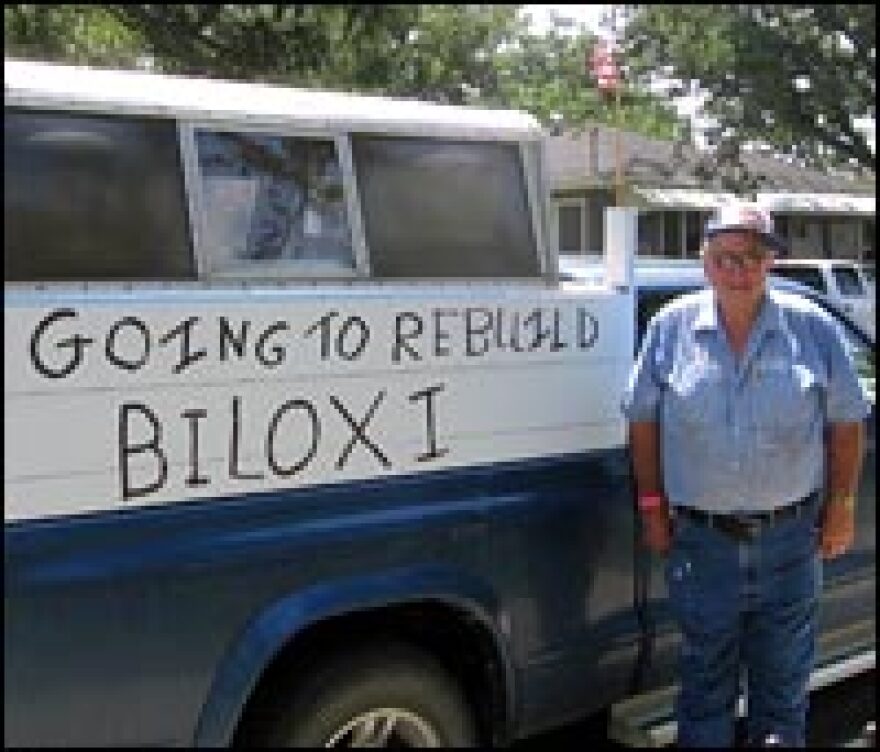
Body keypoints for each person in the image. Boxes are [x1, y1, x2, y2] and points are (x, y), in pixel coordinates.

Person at [621, 202, 869, 747]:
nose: (740, 270)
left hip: (790, 541)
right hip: (702, 543)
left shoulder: (812, 327)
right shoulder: (670, 328)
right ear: (704, 262)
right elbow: (642, 422)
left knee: (783, 693)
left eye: (753, 257)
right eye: (726, 258)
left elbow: (847, 421)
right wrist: (652, 508)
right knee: (704, 687)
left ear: (771, 263)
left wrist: (841, 508)